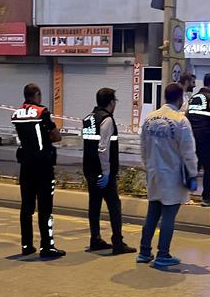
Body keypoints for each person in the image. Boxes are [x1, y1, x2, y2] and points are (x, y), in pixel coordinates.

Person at [136, 83, 199, 267]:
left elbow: (143, 147)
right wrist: (192, 174)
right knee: (168, 215)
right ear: (180, 98)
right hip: (172, 175)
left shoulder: (150, 118)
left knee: (152, 213)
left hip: (154, 173)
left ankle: (144, 252)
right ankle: (163, 254)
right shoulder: (180, 120)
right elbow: (188, 151)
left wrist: (147, 166)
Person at [10, 83, 65, 258]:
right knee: (45, 208)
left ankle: (26, 245)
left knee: (26, 207)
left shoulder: (16, 114)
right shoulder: (42, 112)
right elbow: (56, 136)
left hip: (26, 165)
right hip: (43, 165)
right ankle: (47, 246)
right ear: (37, 94)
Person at [82, 88, 136, 255]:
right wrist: (106, 172)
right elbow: (103, 148)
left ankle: (95, 239)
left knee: (94, 205)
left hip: (89, 168)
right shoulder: (106, 120)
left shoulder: (89, 118)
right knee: (114, 206)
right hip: (102, 171)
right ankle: (118, 242)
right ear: (111, 102)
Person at [186, 73, 210, 206]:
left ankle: (187, 194)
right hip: (206, 137)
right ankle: (206, 197)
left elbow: (186, 114)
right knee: (208, 168)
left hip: (192, 137)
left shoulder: (194, 97)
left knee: (194, 167)